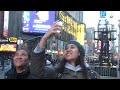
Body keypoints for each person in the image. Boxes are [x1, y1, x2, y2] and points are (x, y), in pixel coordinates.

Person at [30, 21, 100, 79]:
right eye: (66, 48)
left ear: (79, 53)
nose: (68, 50)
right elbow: (37, 71)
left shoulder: (91, 75)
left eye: (72, 47)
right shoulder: (56, 72)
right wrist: (44, 38)